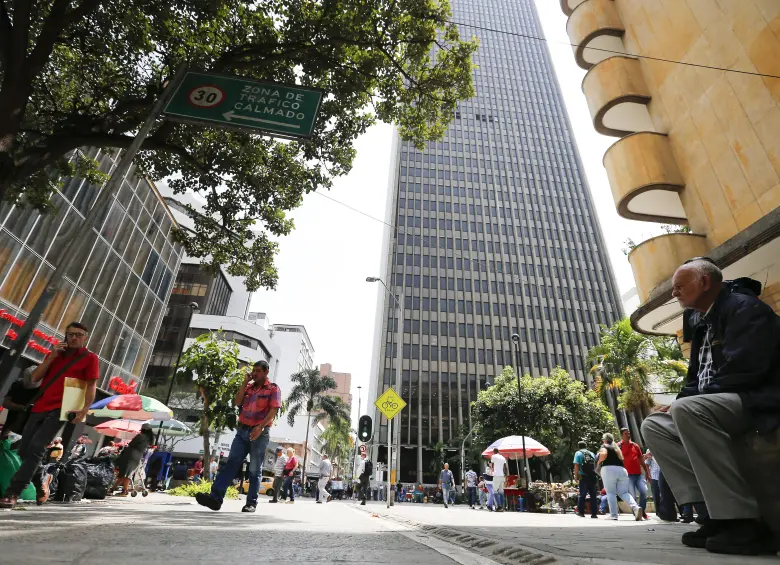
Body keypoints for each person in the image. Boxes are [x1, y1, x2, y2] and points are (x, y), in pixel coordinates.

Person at [641, 259, 780, 555]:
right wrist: (681, 401)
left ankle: (742, 521)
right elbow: (695, 380)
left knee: (687, 410)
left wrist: (690, 402)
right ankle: (711, 515)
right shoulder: (700, 322)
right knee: (654, 425)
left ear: (704, 283)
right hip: (716, 404)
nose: (674, 293)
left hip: (755, 402)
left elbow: (746, 370)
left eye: (680, 286)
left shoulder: (744, 309)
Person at [0, 322, 99, 509]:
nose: (74, 338)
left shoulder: (90, 358)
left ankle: (12, 492)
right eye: (70, 334)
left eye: (78, 334)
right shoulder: (56, 354)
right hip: (39, 406)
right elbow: (34, 378)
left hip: (62, 409)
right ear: (65, 336)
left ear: (85, 337)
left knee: (37, 448)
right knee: (23, 450)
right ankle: (42, 481)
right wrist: (52, 356)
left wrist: (85, 409)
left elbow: (91, 385)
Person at [196, 360, 280, 513]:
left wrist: (260, 427)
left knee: (254, 468)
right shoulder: (248, 388)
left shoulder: (273, 389)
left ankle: (251, 503)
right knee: (231, 463)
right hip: (242, 431)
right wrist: (244, 383)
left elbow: (273, 410)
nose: (254, 373)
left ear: (266, 372)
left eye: (258, 371)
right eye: (253, 371)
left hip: (260, 433)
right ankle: (215, 498)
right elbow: (237, 402)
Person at [596, 432, 642, 521]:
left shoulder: (604, 446)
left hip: (609, 470)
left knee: (610, 493)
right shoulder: (617, 448)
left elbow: (604, 454)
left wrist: (598, 462)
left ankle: (613, 515)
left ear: (604, 440)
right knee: (624, 493)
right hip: (622, 470)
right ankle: (635, 507)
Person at [112, 424, 155, 496]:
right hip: (138, 456)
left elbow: (132, 443)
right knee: (127, 473)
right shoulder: (150, 438)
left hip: (131, 454)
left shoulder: (140, 436)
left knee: (126, 473)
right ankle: (113, 489)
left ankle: (124, 491)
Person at [618, 428, 650, 520]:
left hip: (638, 474)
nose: (628, 435)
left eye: (629, 433)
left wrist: (647, 473)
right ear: (621, 435)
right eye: (625, 434)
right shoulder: (619, 446)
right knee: (632, 496)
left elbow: (641, 460)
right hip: (627, 476)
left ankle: (642, 512)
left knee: (644, 492)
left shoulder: (635, 446)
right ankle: (637, 513)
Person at [0, 367, 39, 442]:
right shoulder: (18, 384)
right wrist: (20, 407)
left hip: (28, 429)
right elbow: (5, 403)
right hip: (11, 425)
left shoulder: (42, 389)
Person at [573, 440, 599, 519]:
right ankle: (594, 514)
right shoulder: (592, 454)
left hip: (584, 477)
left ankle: (581, 512)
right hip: (593, 477)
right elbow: (596, 465)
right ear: (586, 446)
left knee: (582, 495)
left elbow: (576, 465)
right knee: (593, 495)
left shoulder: (578, 453)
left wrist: (576, 476)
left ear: (578, 447)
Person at [644, 449, 663, 519]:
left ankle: (665, 511)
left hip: (664, 476)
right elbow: (647, 463)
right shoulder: (649, 450)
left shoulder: (663, 448)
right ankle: (658, 512)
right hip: (654, 475)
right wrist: (648, 475)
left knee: (665, 494)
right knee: (656, 494)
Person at [490, 448, 507, 512]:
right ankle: (502, 506)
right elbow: (505, 467)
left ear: (494, 451)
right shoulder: (502, 457)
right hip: (502, 476)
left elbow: (492, 465)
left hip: (496, 475)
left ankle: (499, 506)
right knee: (501, 492)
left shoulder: (493, 456)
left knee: (495, 491)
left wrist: (492, 472)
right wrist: (505, 475)